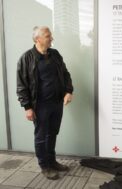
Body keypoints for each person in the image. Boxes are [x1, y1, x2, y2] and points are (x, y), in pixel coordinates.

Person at [17, 26, 74, 180]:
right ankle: (45, 166)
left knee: (53, 133)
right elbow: (21, 85)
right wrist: (27, 107)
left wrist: (68, 91)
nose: (51, 38)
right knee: (41, 136)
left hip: (56, 103)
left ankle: (52, 161)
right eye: (48, 36)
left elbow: (65, 74)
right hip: (40, 106)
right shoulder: (26, 58)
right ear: (38, 39)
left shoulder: (55, 55)